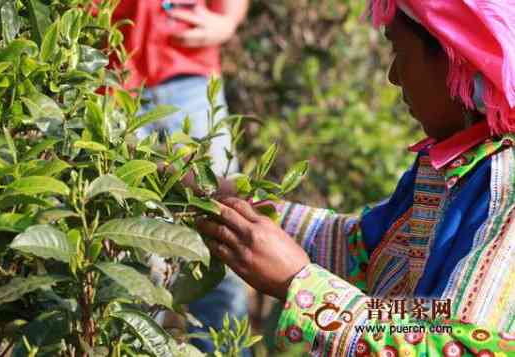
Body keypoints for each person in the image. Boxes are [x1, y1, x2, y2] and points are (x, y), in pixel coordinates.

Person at [193, 0, 515, 355]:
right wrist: (227, 198)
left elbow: (460, 344)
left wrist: (301, 285)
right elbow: (363, 249)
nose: (394, 75)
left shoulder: (505, 187)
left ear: (456, 58)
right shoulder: (458, 166)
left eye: (399, 50)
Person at [108, 1, 251, 355]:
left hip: (187, 74)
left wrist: (228, 19)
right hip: (108, 85)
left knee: (223, 233)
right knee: (133, 257)